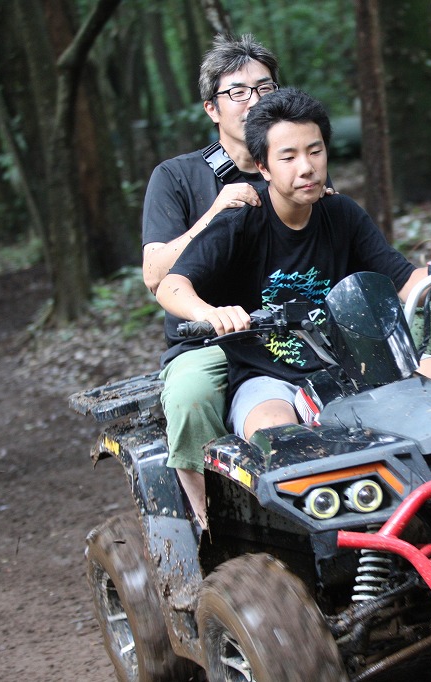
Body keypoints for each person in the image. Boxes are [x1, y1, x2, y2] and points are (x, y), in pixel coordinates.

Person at [156, 88, 431, 448]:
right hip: (267, 377)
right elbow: (170, 286)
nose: (306, 167)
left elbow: (407, 284)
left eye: (315, 151)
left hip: (354, 362)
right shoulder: (239, 223)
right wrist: (211, 313)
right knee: (275, 435)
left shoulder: (342, 213)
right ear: (263, 167)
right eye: (288, 157)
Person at [141, 34, 290, 530]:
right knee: (189, 397)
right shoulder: (177, 177)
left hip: (291, 330)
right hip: (208, 338)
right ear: (212, 108)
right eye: (238, 92)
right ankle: (216, 529)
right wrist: (214, 214)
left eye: (264, 88)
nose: (254, 101)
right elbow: (154, 274)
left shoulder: (295, 163)